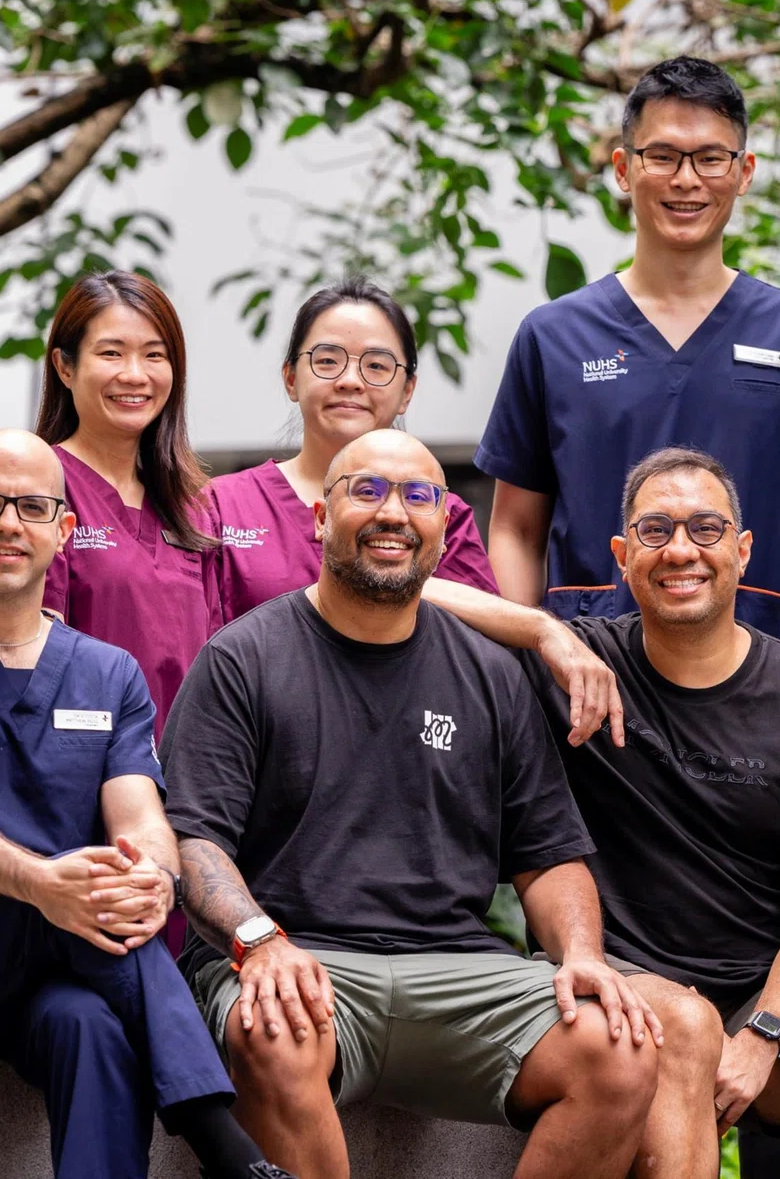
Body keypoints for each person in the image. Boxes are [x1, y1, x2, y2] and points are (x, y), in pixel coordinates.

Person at [161, 429, 661, 1179]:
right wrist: (258, 941)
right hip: (299, 955)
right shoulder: (243, 658)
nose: (393, 512)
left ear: (442, 527)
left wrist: (583, 954)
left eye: (419, 496)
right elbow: (193, 841)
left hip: (456, 969)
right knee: (270, 1025)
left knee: (618, 1049)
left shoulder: (491, 674)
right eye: (366, 490)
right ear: (320, 520)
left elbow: (548, 854)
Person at [428, 447, 780, 1179]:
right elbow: (418, 589)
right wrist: (543, 629)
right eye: (656, 532)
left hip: (762, 998)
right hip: (624, 985)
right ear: (621, 556)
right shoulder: (580, 670)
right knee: (685, 1027)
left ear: (742, 548)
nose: (681, 552)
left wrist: (764, 1034)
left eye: (705, 529)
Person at [0, 429, 290, 1179]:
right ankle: (227, 1148)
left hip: (70, 960)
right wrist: (42, 885)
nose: (8, 523)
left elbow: (141, 821)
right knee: (47, 899)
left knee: (88, 1029)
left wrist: (151, 877)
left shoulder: (107, 674)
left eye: (33, 506)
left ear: (64, 532)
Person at [476, 55, 780, 667]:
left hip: (759, 684)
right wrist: (529, 670)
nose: (686, 179)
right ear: (624, 168)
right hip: (591, 686)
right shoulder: (554, 336)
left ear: (744, 171)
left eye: (710, 158)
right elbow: (515, 530)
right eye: (663, 156)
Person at [210, 277, 498, 625]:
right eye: (328, 361)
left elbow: (477, 643)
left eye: (377, 365)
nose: (350, 380)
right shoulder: (221, 506)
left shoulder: (439, 512)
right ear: (290, 379)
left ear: (407, 391)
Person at [37, 270, 216, 738]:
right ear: (65, 366)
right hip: (83, 770)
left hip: (186, 781)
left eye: (155, 355)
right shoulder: (42, 489)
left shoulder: (193, 506)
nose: (135, 375)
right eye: (111, 353)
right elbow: (28, 655)